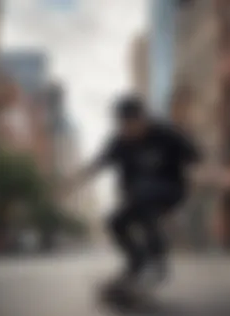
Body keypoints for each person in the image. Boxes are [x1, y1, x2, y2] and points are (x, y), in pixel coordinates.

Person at [68, 95, 215, 290]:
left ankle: (157, 262)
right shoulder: (119, 142)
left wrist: (210, 176)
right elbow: (97, 165)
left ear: (143, 119)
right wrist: (71, 183)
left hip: (170, 190)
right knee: (115, 222)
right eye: (124, 125)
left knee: (144, 195)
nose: (129, 130)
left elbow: (196, 159)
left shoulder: (166, 134)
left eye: (132, 124)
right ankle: (136, 264)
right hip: (136, 197)